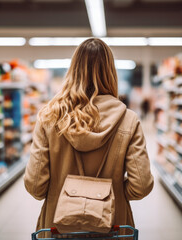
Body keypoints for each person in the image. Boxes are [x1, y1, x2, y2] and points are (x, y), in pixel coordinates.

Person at [24, 38, 154, 234]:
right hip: (113, 227)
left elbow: (35, 186)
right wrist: (113, 191)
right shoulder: (129, 120)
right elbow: (141, 186)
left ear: (73, 70)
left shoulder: (49, 118)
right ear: (111, 73)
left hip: (58, 228)